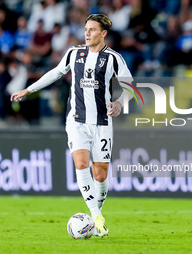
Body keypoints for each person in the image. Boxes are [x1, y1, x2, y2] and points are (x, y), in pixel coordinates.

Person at [10, 14, 132, 237]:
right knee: (81, 162)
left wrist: (119, 102)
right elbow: (55, 73)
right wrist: (28, 90)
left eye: (92, 30)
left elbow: (130, 86)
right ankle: (96, 216)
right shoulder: (74, 53)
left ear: (103, 33)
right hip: (76, 120)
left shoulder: (114, 58)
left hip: (102, 122)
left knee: (101, 175)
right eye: (86, 29)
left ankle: (97, 215)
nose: (87, 33)